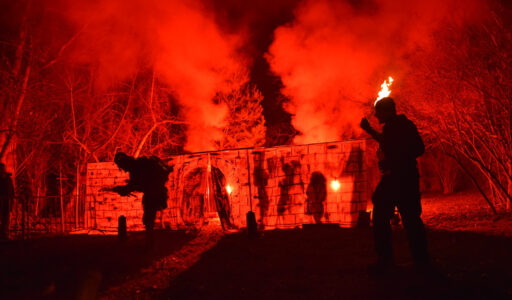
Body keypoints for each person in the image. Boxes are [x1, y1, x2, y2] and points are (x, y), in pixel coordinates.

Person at [360, 97, 429, 273]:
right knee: (411, 220)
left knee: (384, 217)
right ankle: (421, 261)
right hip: (406, 178)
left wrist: (395, 162)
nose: (376, 115)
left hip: (397, 178)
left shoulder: (396, 127)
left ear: (388, 111)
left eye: (378, 111)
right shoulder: (404, 125)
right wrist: (370, 130)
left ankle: (386, 260)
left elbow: (408, 148)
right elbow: (393, 143)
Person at [110, 152, 172, 246]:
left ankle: (150, 244)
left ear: (125, 163)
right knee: (149, 219)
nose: (123, 169)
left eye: (122, 166)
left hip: (153, 194)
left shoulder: (137, 168)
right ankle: (150, 242)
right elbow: (137, 185)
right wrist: (124, 189)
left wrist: (123, 189)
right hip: (155, 193)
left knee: (148, 220)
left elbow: (137, 185)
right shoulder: (138, 166)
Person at [0, 163, 14, 240]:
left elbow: (11, 189)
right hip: (1, 200)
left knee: (5, 217)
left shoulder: (8, 179)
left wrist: (12, 198)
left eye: (2, 168)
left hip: (7, 201)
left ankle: (4, 233)